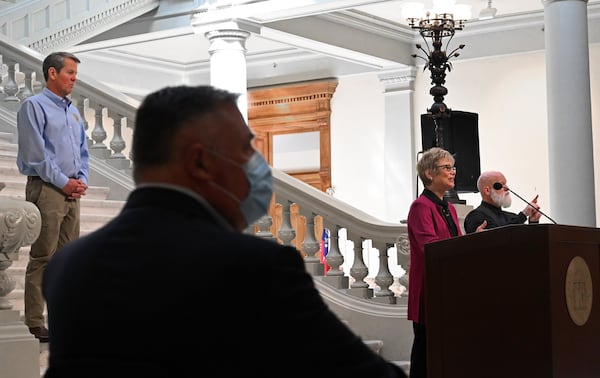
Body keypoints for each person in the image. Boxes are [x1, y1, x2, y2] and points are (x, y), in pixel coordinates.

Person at [42, 85, 408, 378]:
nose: (258, 164)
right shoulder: (255, 268)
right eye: (247, 148)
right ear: (200, 161)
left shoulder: (69, 265)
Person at [16, 51, 89, 343]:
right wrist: (64, 182)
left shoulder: (73, 111)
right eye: (70, 72)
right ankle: (35, 322)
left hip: (72, 191)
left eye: (75, 74)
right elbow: (36, 155)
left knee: (68, 259)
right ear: (52, 74)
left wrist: (81, 179)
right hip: (46, 189)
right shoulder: (32, 107)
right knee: (43, 257)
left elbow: (83, 151)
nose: (74, 78)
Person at [407, 147, 462, 378]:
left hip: (447, 287)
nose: (452, 173)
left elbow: (454, 244)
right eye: (446, 168)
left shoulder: (447, 207)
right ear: (429, 173)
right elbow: (428, 247)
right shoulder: (421, 206)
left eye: (453, 168)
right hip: (430, 290)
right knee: (426, 353)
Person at [463, 170, 541, 234]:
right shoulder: (476, 216)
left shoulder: (511, 217)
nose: (507, 188)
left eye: (506, 184)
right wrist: (524, 214)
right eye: (501, 185)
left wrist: (533, 222)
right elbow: (501, 237)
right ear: (487, 190)